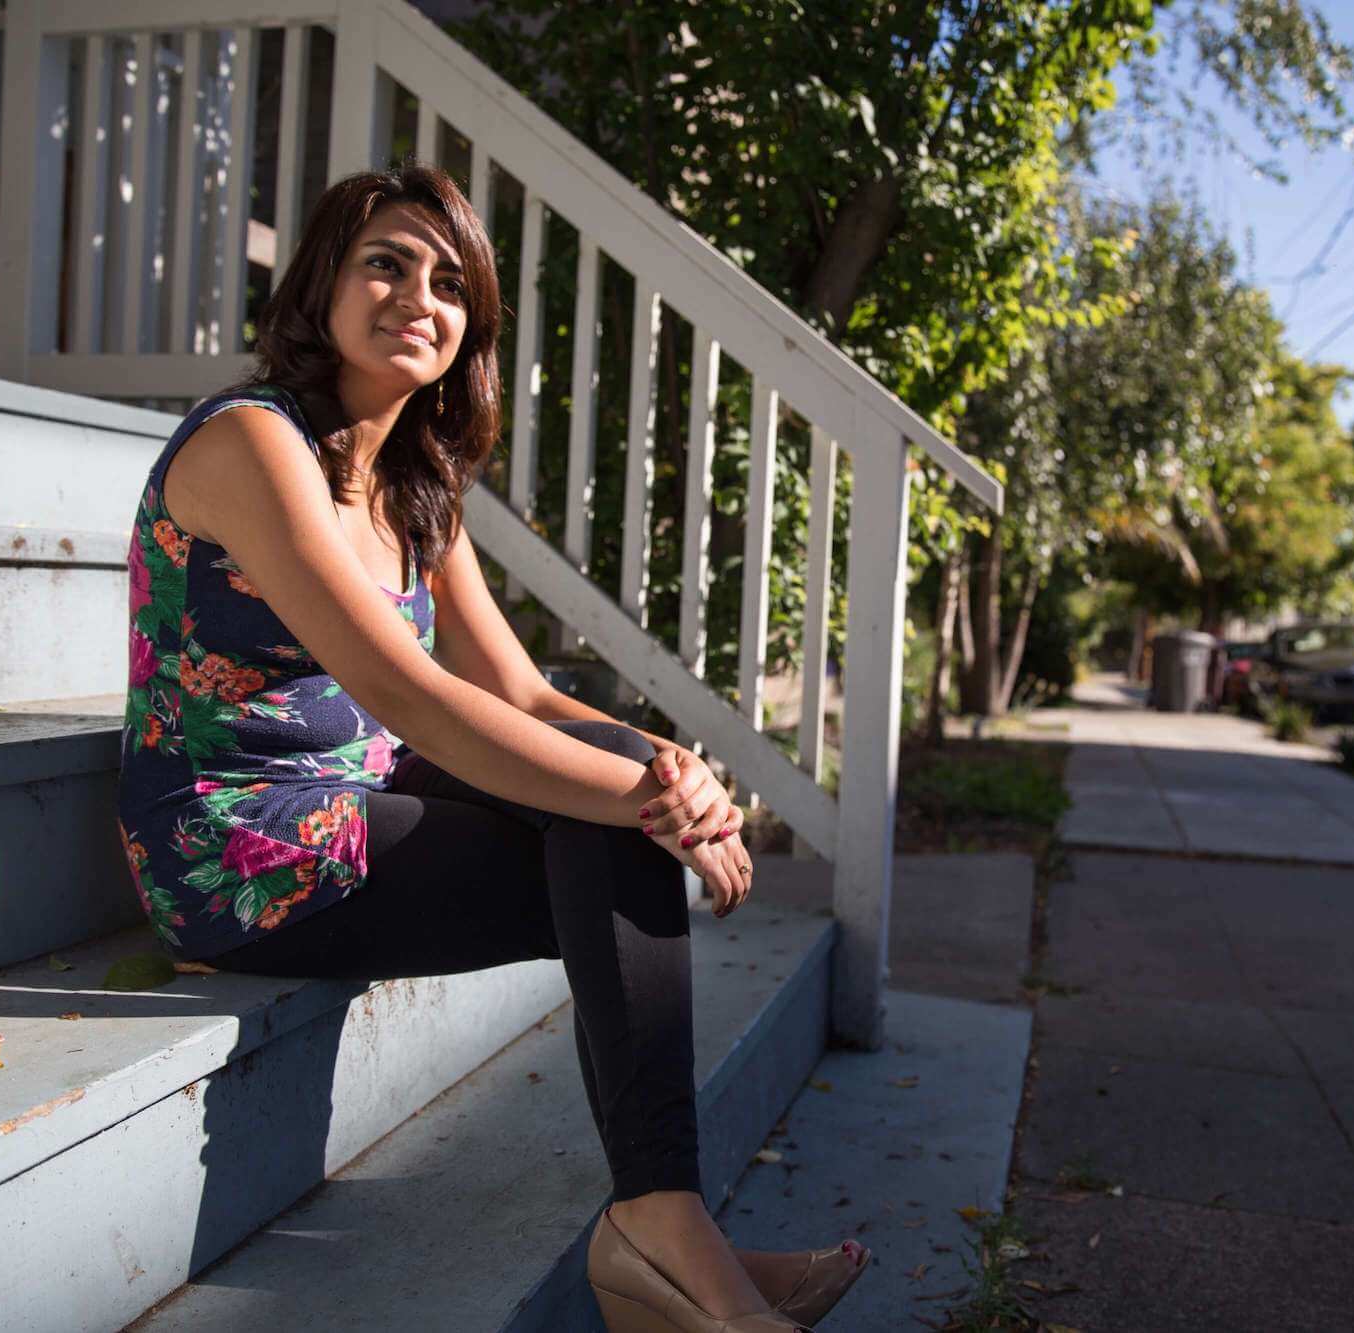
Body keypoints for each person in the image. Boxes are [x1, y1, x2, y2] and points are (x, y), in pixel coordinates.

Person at [116, 163, 869, 1331]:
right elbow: (406, 692)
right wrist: (642, 799)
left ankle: (666, 1228)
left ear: (470, 325)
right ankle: (668, 1240)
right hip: (237, 839)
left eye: (448, 281)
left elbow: (518, 688)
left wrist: (677, 774)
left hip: (364, 796)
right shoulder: (251, 442)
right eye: (386, 262)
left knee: (612, 807)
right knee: (608, 816)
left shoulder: (417, 481)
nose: (418, 295)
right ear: (321, 281)